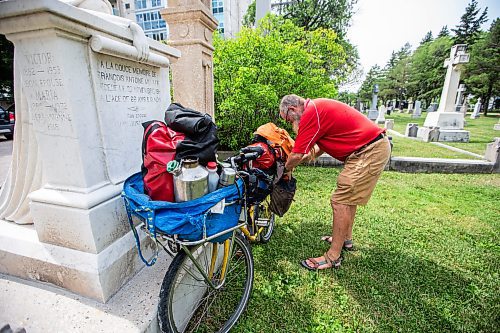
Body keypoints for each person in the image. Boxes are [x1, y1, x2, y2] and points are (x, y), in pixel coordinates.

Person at [279, 95, 391, 270]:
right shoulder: (316, 109)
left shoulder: (310, 113)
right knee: (348, 199)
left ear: (292, 110)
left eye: (287, 119)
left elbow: (297, 154)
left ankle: (332, 257)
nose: (290, 123)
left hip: (368, 151)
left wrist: (285, 170)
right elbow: (322, 145)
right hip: (369, 149)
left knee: (340, 201)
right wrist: (309, 156)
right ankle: (345, 239)